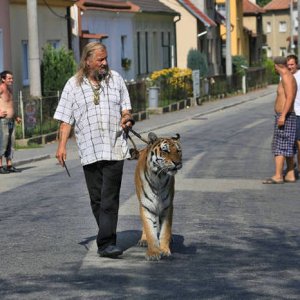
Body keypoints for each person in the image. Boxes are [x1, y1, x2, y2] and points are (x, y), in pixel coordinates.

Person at [54, 42, 134, 258]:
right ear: (87, 61)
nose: (105, 63)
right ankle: (106, 235)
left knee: (109, 197)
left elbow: (126, 108)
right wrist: (61, 146)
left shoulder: (115, 79)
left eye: (105, 58)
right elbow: (65, 120)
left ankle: (107, 243)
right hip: (89, 150)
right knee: (96, 198)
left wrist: (126, 119)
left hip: (114, 146)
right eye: (100, 59)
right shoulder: (73, 85)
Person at [263, 56, 297, 184]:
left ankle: (278, 176)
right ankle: (290, 174)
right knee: (287, 146)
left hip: (285, 116)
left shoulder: (287, 77)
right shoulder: (286, 77)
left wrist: (282, 115)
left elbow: (289, 98)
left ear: (277, 66)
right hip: (286, 116)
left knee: (280, 147)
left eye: (274, 66)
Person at [0, 70, 22, 174]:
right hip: (3, 121)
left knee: (11, 143)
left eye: (12, 78)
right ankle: (0, 167)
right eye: (9, 78)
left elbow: (11, 105)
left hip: (11, 120)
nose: (11, 80)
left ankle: (9, 165)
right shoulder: (1, 88)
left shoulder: (10, 90)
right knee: (3, 143)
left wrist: (16, 116)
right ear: (3, 79)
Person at [287, 54, 300, 177]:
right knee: (289, 142)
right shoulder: (284, 77)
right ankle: (291, 168)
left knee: (298, 142)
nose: (290, 67)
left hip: (299, 113)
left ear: (296, 64)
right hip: (288, 114)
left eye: (292, 64)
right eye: (288, 65)